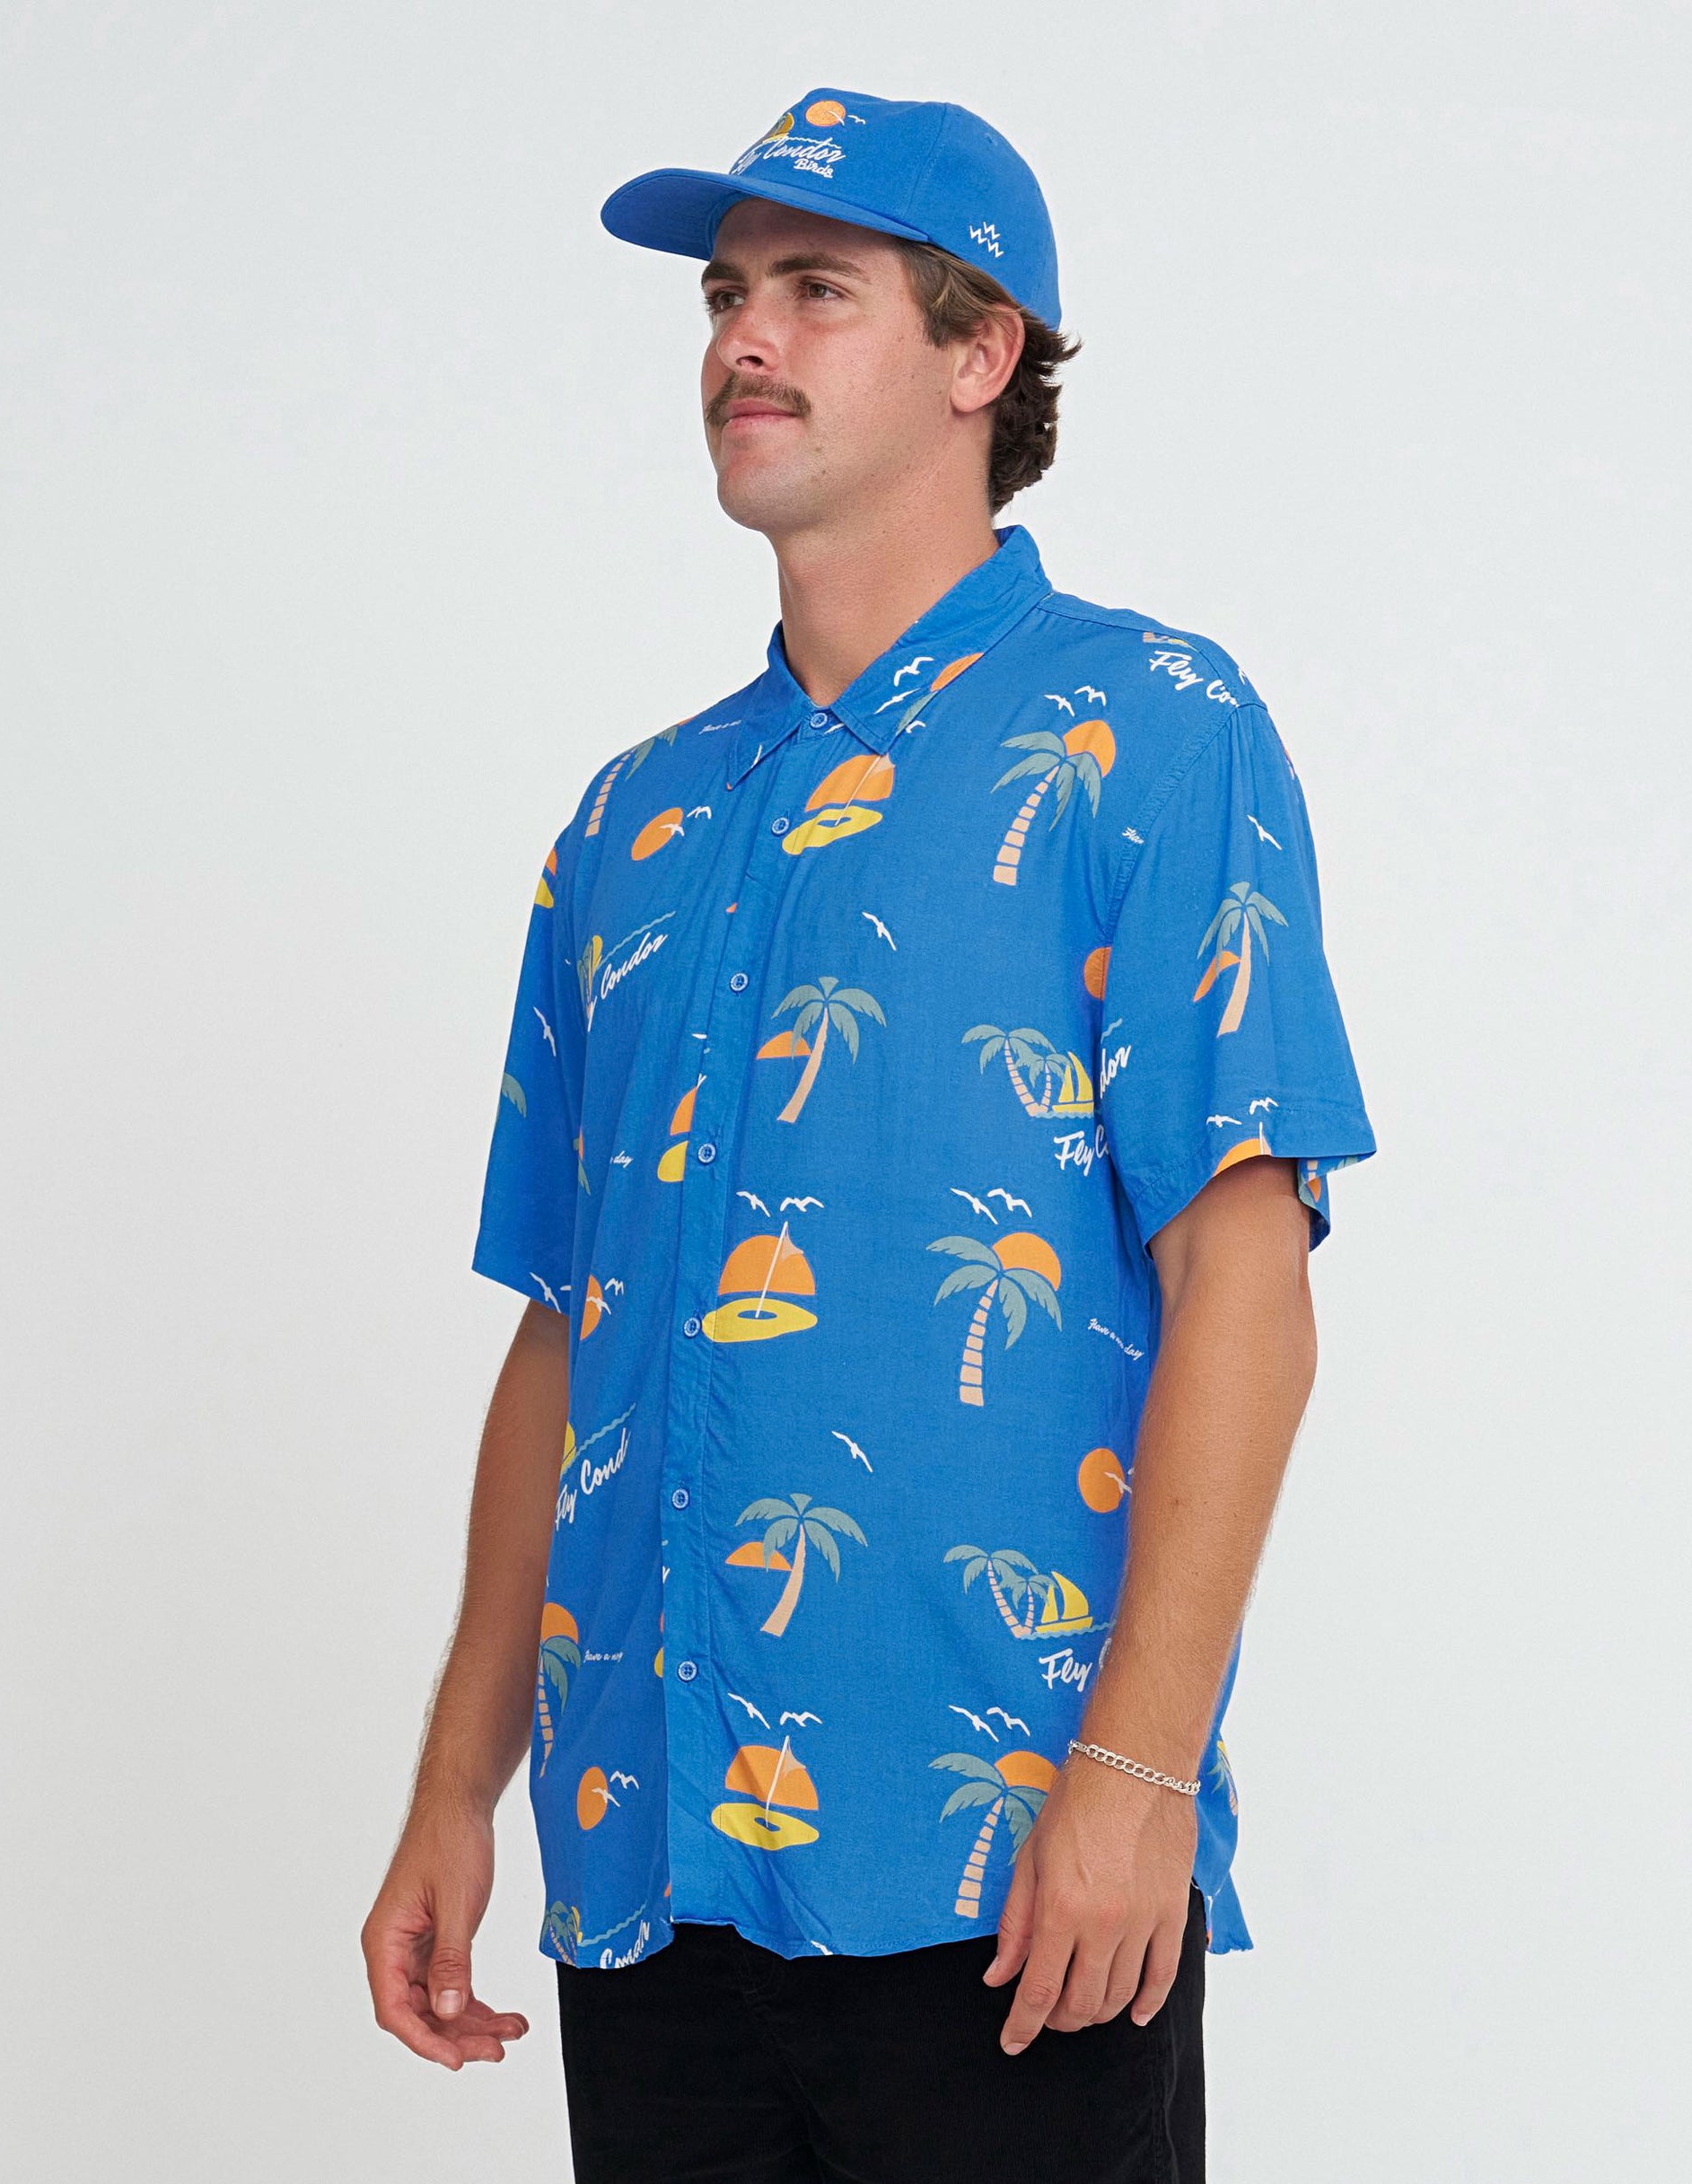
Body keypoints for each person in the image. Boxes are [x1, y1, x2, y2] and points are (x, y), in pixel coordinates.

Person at [361, 85, 1376, 2183]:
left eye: (814, 291)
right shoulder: (631, 822)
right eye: (725, 295)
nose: (742, 338)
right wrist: (458, 1786)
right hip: (649, 1868)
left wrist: (1136, 1773)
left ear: (979, 351)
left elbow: (1241, 1273)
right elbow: (561, 1335)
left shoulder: (1148, 728)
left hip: (1007, 1878)